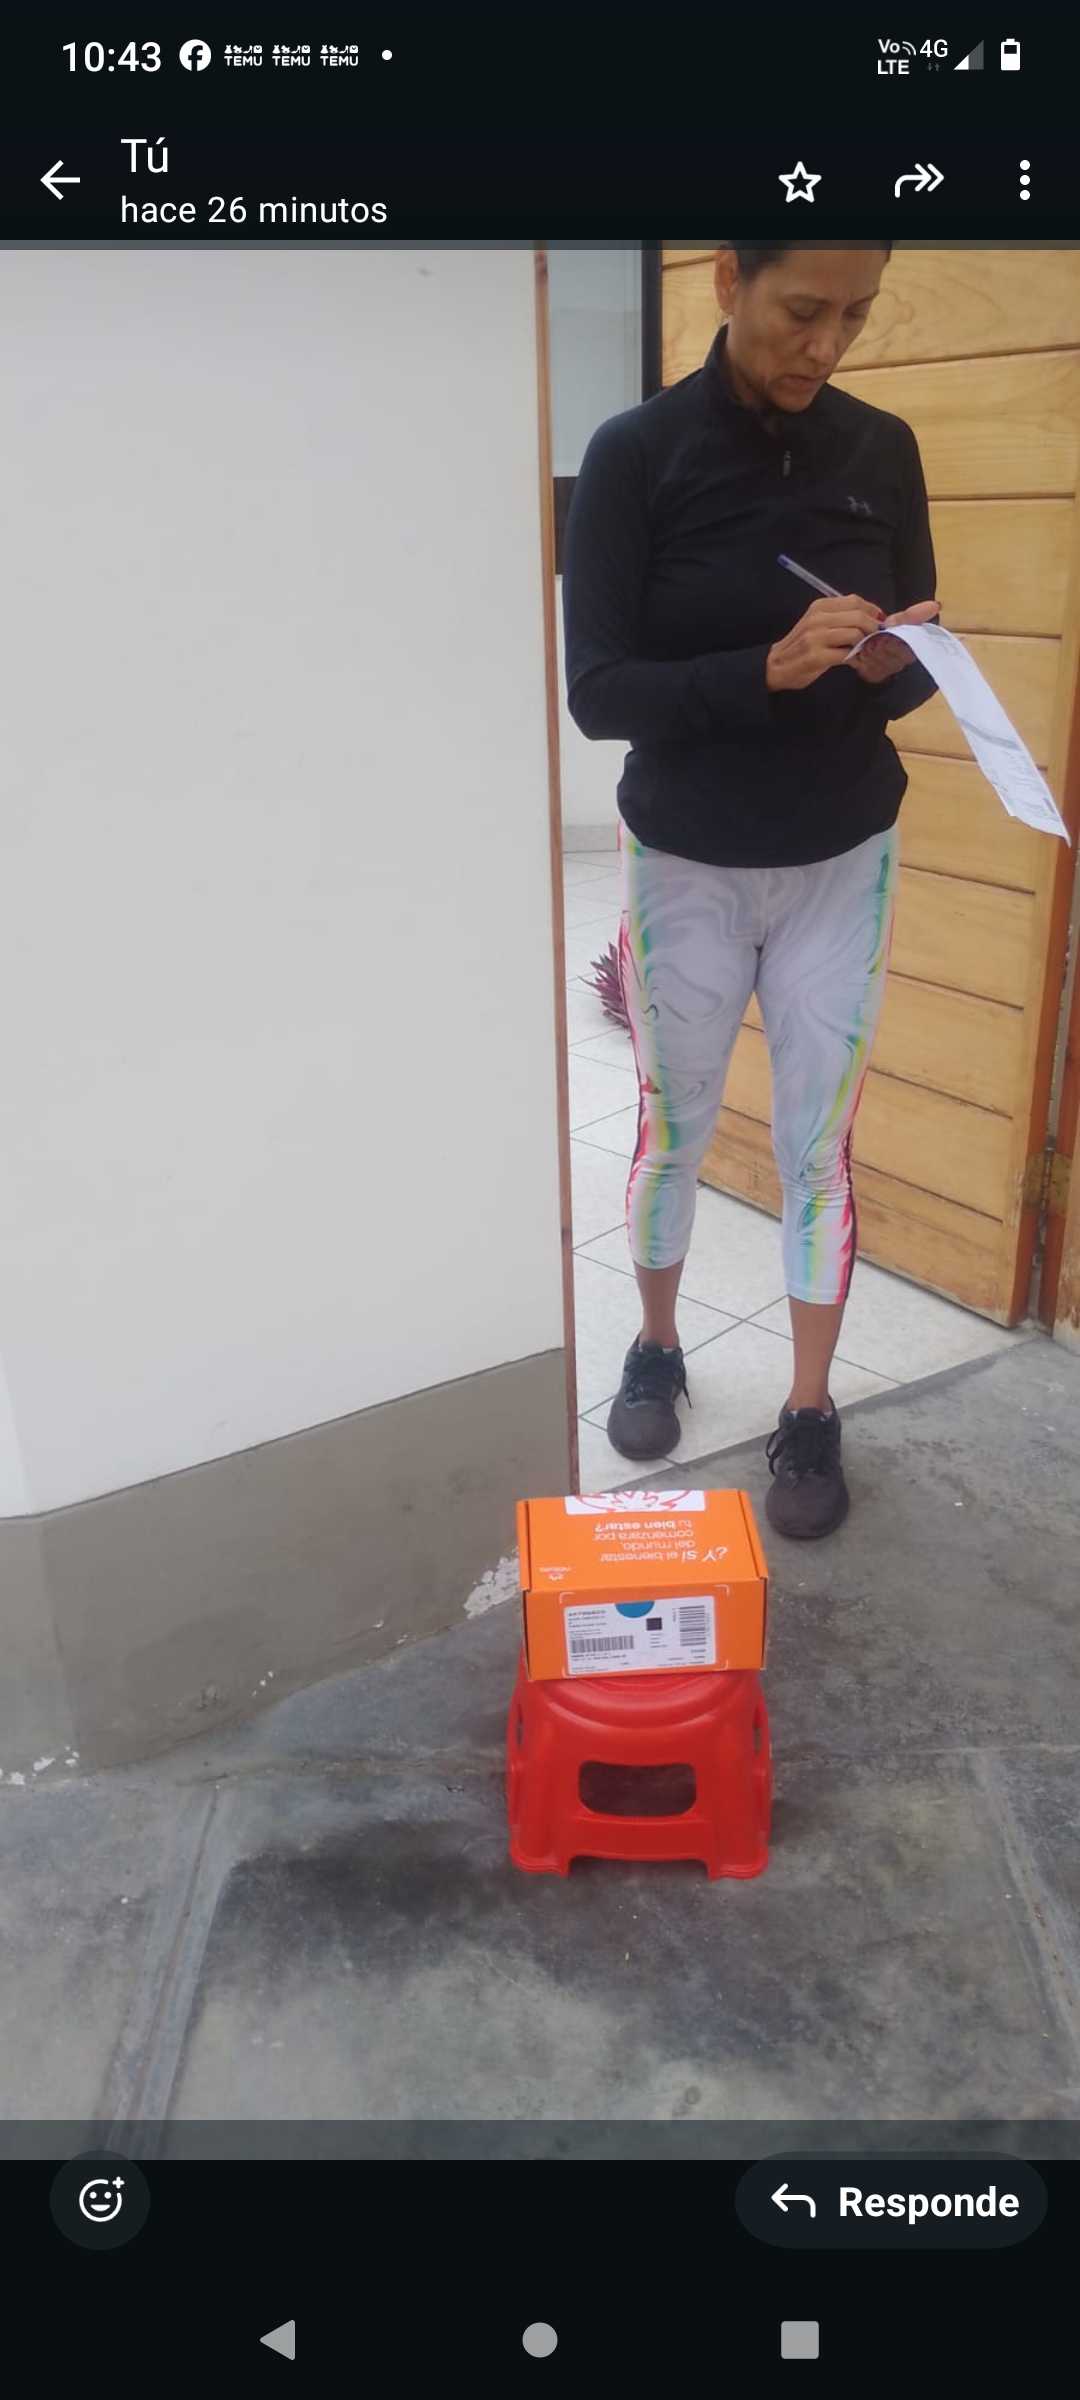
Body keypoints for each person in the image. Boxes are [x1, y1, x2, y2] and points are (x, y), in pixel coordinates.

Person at [562, 244, 939, 1539]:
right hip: (687, 859)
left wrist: (896, 662)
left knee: (816, 1149)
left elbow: (917, 662)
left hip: (843, 854)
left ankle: (811, 1406)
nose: (825, 346)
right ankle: (656, 1346)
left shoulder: (882, 448)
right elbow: (598, 692)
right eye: (801, 312)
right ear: (729, 282)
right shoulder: (634, 456)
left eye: (856, 316)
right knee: (675, 1122)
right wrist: (763, 671)